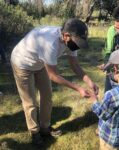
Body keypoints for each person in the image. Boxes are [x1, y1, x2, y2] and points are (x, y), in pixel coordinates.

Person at [10, 18, 99, 146]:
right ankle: (35, 132)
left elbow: (75, 65)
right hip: (22, 63)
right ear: (66, 36)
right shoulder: (50, 43)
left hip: (40, 63)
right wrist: (78, 88)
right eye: (77, 42)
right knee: (30, 102)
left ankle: (45, 128)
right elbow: (53, 75)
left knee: (47, 96)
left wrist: (89, 82)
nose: (77, 45)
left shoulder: (71, 42)